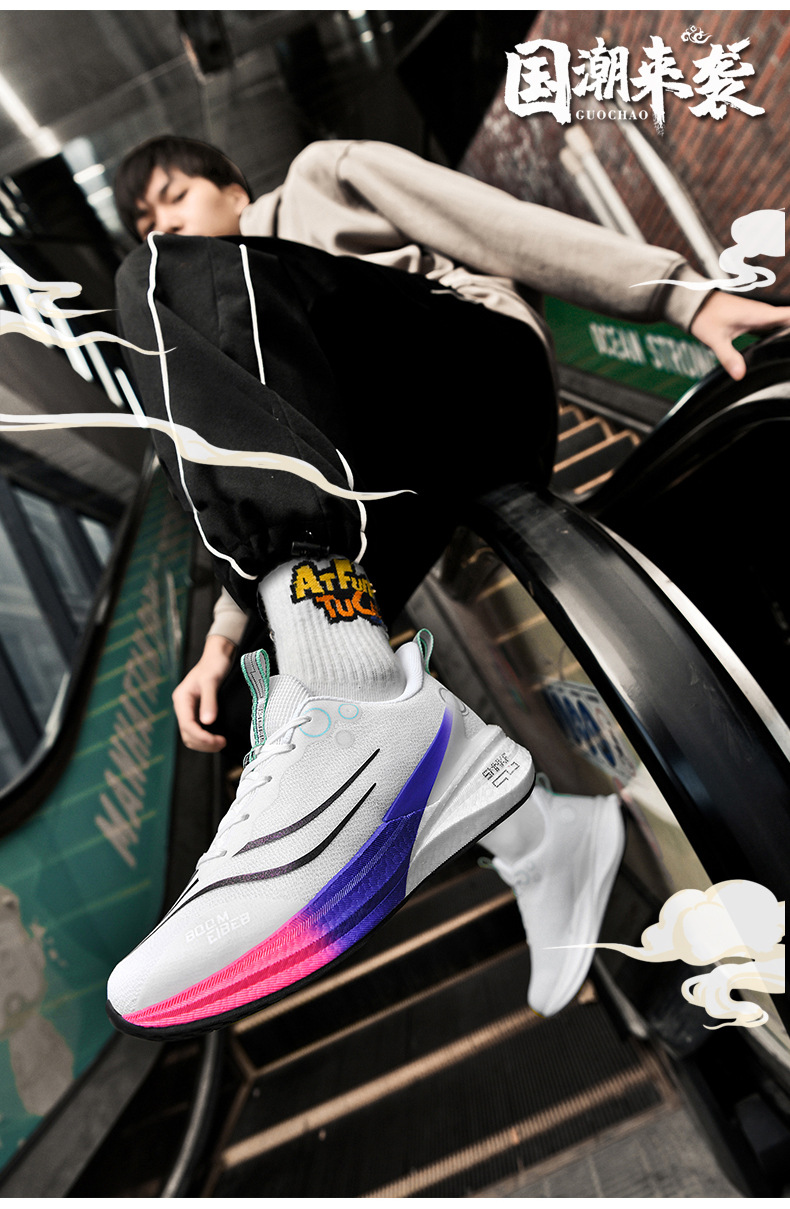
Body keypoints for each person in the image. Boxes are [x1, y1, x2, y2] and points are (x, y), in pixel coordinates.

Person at [105, 136, 790, 1039]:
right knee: (254, 683)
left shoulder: (315, 182)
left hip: (473, 377)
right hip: (386, 471)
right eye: (147, 217)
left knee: (159, 281)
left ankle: (363, 706)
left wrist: (676, 295)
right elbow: (262, 459)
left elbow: (492, 222)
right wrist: (222, 642)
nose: (165, 222)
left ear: (234, 186)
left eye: (174, 196)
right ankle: (547, 839)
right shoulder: (234, 348)